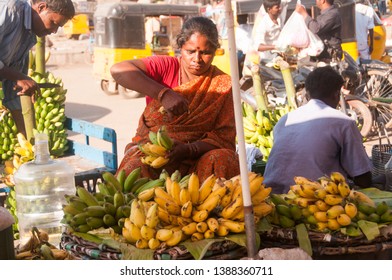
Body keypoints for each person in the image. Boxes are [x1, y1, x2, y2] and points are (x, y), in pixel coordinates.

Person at [110, 16, 240, 182]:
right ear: (180, 48)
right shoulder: (166, 66)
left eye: (206, 53)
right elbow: (118, 70)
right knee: (136, 166)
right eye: (190, 51)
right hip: (154, 151)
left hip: (198, 155)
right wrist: (163, 94)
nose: (197, 59)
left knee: (221, 158)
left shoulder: (223, 84)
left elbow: (224, 137)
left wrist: (189, 149)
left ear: (215, 51)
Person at [263, 66, 372, 194]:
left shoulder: (284, 120)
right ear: (337, 94)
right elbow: (363, 178)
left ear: (307, 94)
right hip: (314, 199)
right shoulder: (343, 122)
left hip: (271, 196)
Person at [0, 0, 75, 137]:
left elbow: (14, 93)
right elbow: (16, 77)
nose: (53, 31)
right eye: (53, 23)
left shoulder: (28, 36)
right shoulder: (9, 10)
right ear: (41, 7)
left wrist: (29, 142)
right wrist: (18, 77)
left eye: (58, 28)